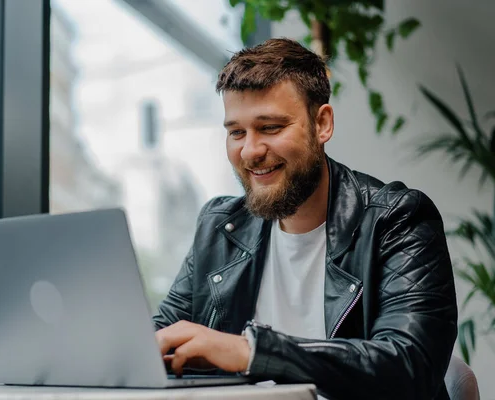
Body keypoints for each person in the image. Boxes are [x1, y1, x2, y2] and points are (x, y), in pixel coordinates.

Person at [152, 38, 457, 400]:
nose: (250, 151)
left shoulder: (397, 220)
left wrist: (252, 352)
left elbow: (410, 365)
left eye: (270, 127)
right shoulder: (219, 226)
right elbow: (161, 337)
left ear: (322, 123)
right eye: (236, 132)